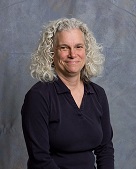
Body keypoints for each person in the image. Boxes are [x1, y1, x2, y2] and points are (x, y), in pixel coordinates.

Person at [21, 18, 114, 169]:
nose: (73, 54)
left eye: (78, 46)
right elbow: (40, 159)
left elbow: (105, 149)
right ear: (51, 53)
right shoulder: (38, 96)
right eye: (64, 48)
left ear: (86, 51)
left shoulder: (98, 94)